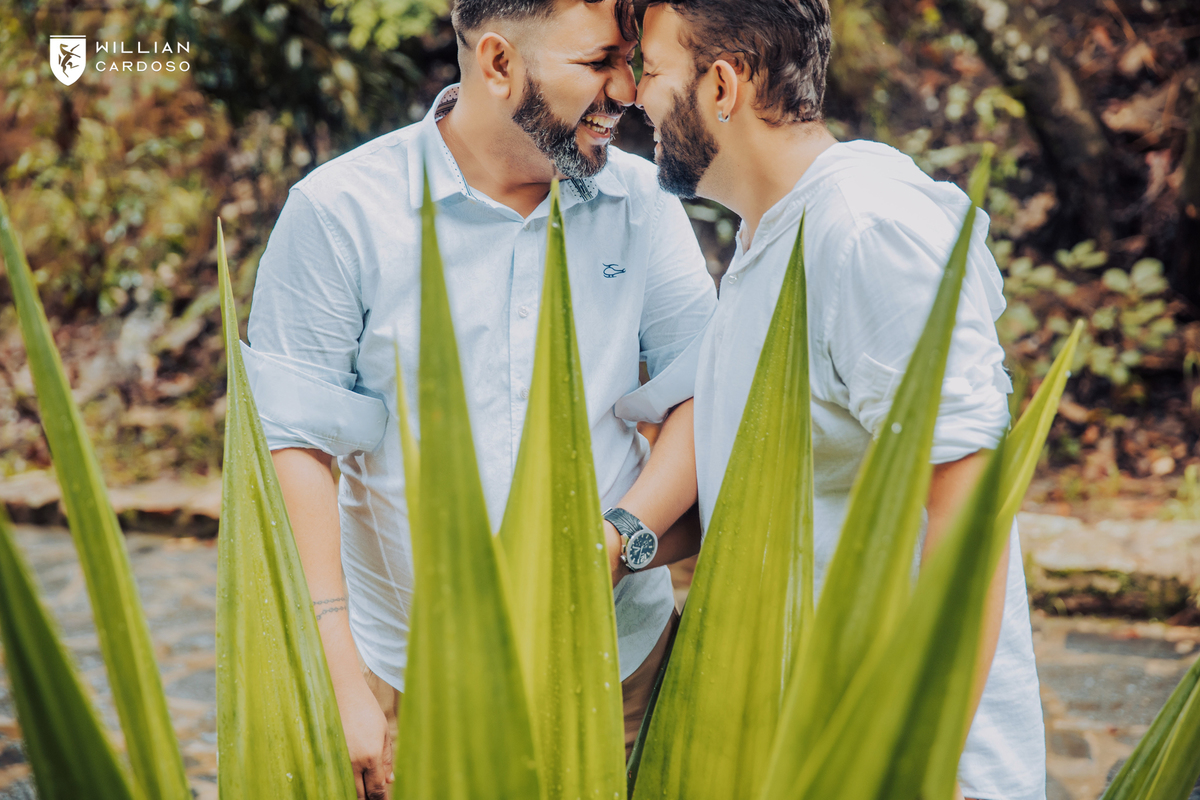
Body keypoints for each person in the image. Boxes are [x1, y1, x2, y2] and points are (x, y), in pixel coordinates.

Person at [243, 1, 716, 797]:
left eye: (629, 60)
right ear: (497, 63)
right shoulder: (339, 212)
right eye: (599, 62)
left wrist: (616, 540)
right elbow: (295, 443)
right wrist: (338, 673)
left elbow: (701, 388)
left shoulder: (642, 202)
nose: (629, 89)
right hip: (410, 672)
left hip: (613, 662)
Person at [636, 2, 1045, 799]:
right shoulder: (770, 236)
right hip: (807, 752)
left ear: (723, 83)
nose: (633, 94)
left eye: (651, 71)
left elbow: (968, 513)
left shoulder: (864, 228)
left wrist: (915, 764)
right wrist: (614, 550)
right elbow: (760, 493)